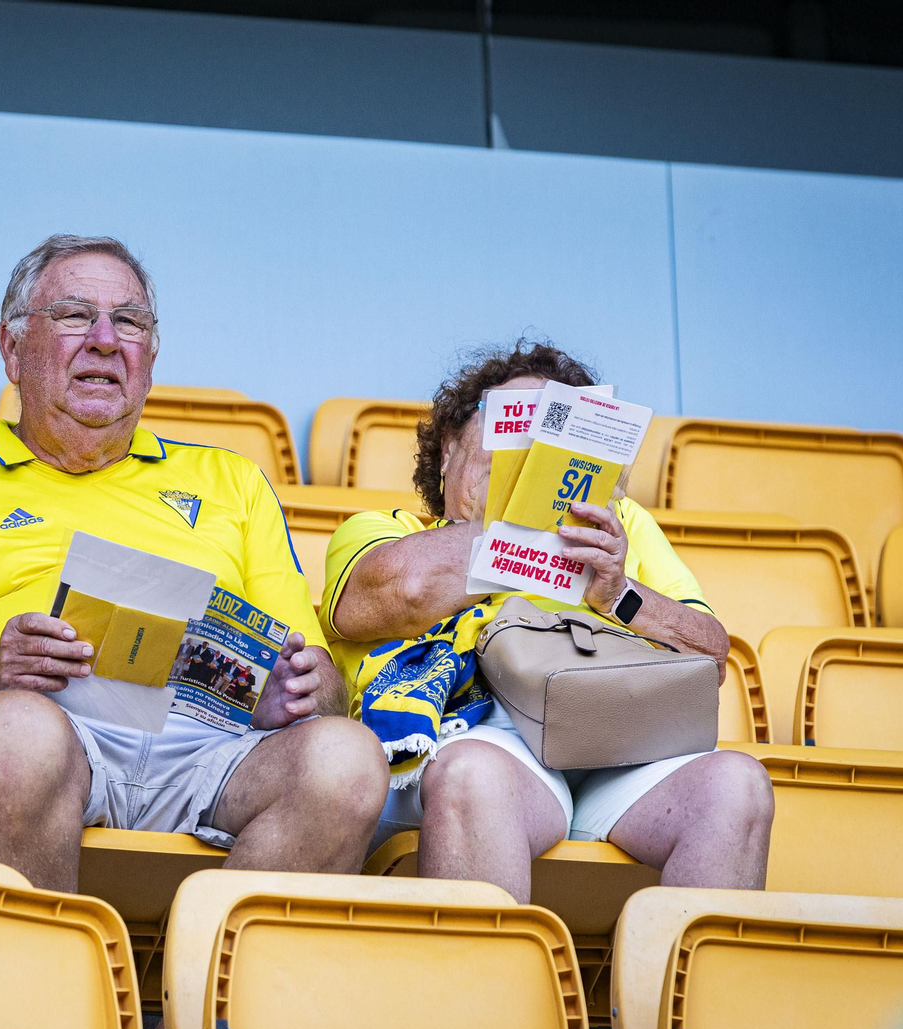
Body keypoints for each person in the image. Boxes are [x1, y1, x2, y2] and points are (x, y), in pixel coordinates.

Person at [0, 234, 387, 893]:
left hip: (206, 752)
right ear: (12, 350)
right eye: (73, 315)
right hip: (25, 738)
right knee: (21, 730)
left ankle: (210, 981)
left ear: (149, 359)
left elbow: (324, 692)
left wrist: (302, 690)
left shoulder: (233, 482)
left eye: (129, 321)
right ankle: (27, 992)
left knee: (348, 759)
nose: (103, 339)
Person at [318, 342, 774, 902]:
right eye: (509, 429)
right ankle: (488, 989)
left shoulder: (620, 526)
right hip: (476, 740)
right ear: (449, 447)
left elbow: (712, 657)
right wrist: (513, 528)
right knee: (473, 774)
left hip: (610, 741)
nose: (525, 450)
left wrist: (618, 593)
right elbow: (402, 592)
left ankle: (674, 992)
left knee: (737, 786)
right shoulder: (382, 529)